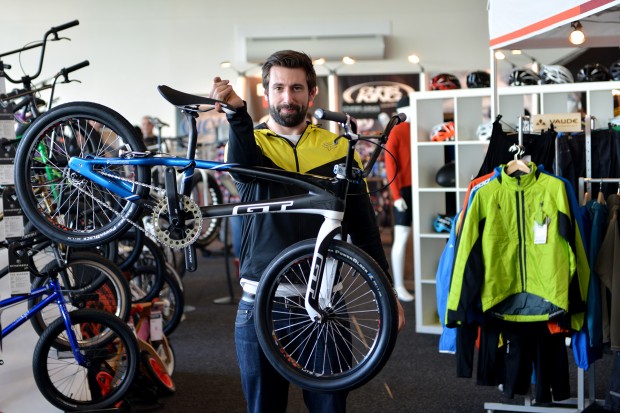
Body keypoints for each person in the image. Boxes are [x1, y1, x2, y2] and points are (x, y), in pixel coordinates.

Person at [209, 50, 405, 413]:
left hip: (326, 303)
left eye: (297, 88)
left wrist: (387, 291)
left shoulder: (339, 149)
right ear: (266, 93)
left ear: (312, 93)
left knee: (330, 407)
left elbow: (364, 229)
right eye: (279, 87)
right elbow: (241, 167)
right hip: (261, 303)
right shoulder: (250, 143)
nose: (288, 97)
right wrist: (236, 113)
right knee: (264, 407)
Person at [385, 96, 415, 302]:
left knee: (421, 235)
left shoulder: (419, 129)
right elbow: (390, 164)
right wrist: (396, 195)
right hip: (404, 190)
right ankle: (398, 285)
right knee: (402, 236)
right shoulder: (397, 130)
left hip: (420, 188)